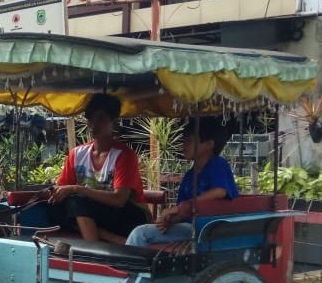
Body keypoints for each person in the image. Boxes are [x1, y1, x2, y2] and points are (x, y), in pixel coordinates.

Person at [49, 93, 148, 243]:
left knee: (77, 201)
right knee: (56, 208)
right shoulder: (76, 154)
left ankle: (94, 249)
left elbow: (119, 200)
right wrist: (55, 193)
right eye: (91, 119)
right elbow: (63, 190)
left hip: (128, 216)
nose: (94, 124)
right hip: (92, 215)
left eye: (101, 119)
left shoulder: (124, 155)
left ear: (113, 122)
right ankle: (109, 237)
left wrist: (77, 189)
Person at [126, 117, 238, 248]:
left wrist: (176, 209)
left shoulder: (217, 164)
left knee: (141, 234)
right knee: (145, 233)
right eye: (184, 140)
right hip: (191, 227)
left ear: (209, 144)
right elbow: (184, 212)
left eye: (189, 141)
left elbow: (220, 191)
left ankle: (127, 267)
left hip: (210, 228)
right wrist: (170, 220)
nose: (183, 145)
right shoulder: (190, 175)